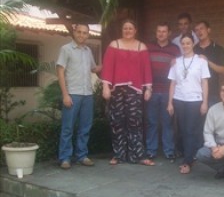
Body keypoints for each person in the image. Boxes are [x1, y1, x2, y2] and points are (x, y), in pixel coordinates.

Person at [101, 19, 154, 166]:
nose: (128, 31)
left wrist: (148, 88)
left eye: (131, 28)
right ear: (122, 30)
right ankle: (118, 155)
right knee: (117, 122)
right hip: (116, 90)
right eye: (125, 28)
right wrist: (105, 86)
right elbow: (107, 68)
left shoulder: (141, 47)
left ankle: (137, 155)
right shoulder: (114, 45)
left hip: (135, 91)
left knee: (135, 123)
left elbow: (146, 69)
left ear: (135, 30)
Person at [56, 24, 102, 169]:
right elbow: (60, 72)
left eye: (85, 33)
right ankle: (65, 158)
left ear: (88, 35)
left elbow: (94, 69)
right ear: (74, 32)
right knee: (68, 128)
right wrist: (65, 94)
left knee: (85, 127)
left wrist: (110, 62)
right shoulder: (66, 49)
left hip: (87, 94)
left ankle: (82, 155)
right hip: (72, 94)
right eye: (79, 32)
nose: (82, 35)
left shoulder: (88, 51)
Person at [167, 32, 210, 174]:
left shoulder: (201, 61)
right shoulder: (176, 62)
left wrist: (205, 102)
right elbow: (173, 83)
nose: (185, 46)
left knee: (190, 130)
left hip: (195, 100)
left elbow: (204, 82)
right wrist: (170, 103)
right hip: (179, 100)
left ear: (193, 44)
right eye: (183, 43)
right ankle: (189, 155)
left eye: (188, 43)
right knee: (181, 130)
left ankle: (187, 161)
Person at [144, 23, 180, 162]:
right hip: (151, 90)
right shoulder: (149, 47)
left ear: (169, 33)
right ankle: (151, 151)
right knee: (151, 122)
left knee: (167, 122)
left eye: (164, 31)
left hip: (167, 91)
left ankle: (169, 151)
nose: (161, 34)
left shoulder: (175, 49)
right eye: (159, 31)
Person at [194, 20, 224, 106]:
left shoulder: (218, 49)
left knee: (212, 118)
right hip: (196, 93)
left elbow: (223, 70)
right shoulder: (193, 49)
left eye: (201, 29)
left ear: (208, 30)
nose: (199, 32)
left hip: (213, 92)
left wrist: (207, 62)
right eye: (196, 30)